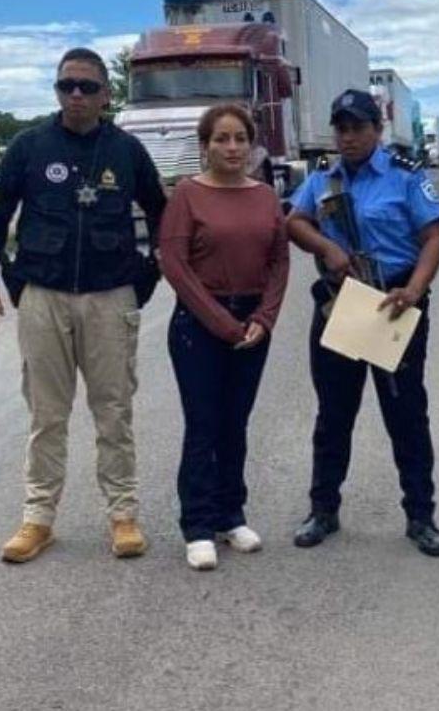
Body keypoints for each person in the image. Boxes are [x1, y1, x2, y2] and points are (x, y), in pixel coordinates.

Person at [0, 47, 166, 563]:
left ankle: (123, 514)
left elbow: (163, 215)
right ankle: (38, 518)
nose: (75, 96)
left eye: (86, 86)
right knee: (46, 415)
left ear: (106, 94)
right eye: (66, 86)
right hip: (44, 297)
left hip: (109, 298)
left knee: (114, 413)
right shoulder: (29, 147)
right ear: (57, 91)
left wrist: (146, 278)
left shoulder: (126, 151)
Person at [286, 88, 439, 557]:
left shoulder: (404, 178)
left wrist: (414, 291)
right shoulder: (323, 180)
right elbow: (294, 221)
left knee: (406, 415)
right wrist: (325, 247)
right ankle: (323, 510)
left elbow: (434, 237)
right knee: (334, 414)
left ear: (377, 131)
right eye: (342, 128)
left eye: (359, 127)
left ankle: (421, 516)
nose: (349, 136)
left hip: (395, 303)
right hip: (343, 304)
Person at [159, 104, 290, 571]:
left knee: (236, 423)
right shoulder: (188, 196)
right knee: (204, 424)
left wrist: (265, 318)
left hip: (252, 322)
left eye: (240, 138)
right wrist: (221, 322)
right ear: (205, 145)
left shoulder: (265, 196)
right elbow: (174, 263)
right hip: (200, 324)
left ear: (252, 144)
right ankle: (197, 524)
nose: (232, 148)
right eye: (221, 139)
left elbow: (279, 262)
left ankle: (230, 514)